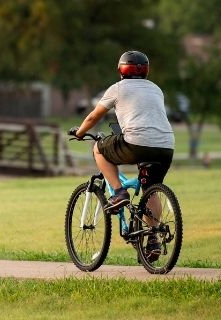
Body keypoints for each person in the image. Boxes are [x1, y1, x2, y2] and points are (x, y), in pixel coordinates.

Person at [69, 50, 175, 259]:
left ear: (121, 70)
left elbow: (93, 117)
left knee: (99, 149)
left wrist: (80, 132)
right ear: (146, 71)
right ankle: (153, 239)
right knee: (150, 189)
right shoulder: (156, 89)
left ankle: (119, 192)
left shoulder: (117, 89)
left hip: (136, 142)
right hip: (165, 145)